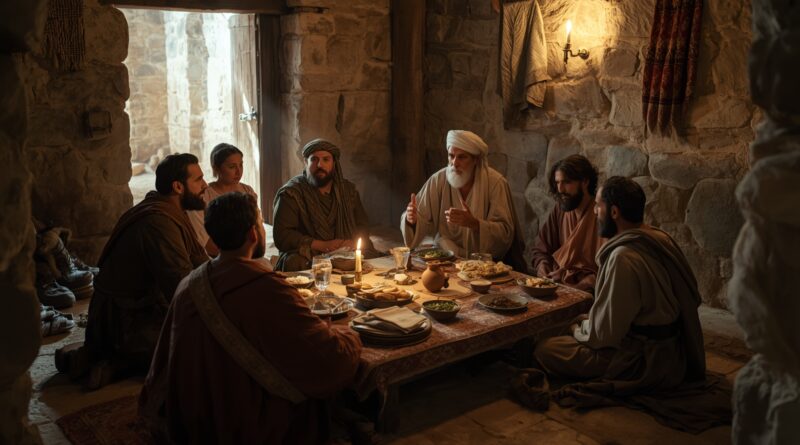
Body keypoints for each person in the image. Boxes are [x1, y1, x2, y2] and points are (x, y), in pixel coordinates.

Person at [139, 192, 362, 443]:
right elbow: (328, 359)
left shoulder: (188, 285)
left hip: (190, 415)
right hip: (243, 419)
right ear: (253, 234)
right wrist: (347, 334)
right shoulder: (269, 289)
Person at [534, 176, 706, 395]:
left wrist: (577, 328)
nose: (595, 212)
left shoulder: (622, 258)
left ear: (614, 212)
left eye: (598, 206)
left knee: (545, 349)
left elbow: (604, 336)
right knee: (572, 323)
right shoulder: (658, 237)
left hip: (643, 359)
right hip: (671, 350)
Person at [55, 153, 210, 389]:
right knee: (203, 348)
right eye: (198, 179)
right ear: (178, 187)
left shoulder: (171, 211)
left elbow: (201, 264)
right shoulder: (159, 223)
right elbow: (181, 287)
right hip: (125, 320)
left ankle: (102, 359)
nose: (205, 185)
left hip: (143, 309)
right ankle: (116, 361)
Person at [402, 130, 526, 270]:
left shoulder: (496, 183)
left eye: (462, 157)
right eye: (451, 156)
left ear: (475, 160)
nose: (455, 163)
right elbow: (419, 216)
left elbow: (505, 233)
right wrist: (411, 220)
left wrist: (474, 224)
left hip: (485, 266)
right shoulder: (439, 180)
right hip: (447, 260)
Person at [273, 139, 373, 271]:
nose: (319, 164)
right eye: (314, 159)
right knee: (295, 263)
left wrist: (352, 242)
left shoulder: (348, 191)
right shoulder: (291, 193)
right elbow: (283, 235)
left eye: (326, 159)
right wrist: (322, 245)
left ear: (334, 163)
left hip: (345, 250)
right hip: (310, 252)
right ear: (305, 162)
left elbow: (363, 225)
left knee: (370, 254)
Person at [531, 154, 604, 293]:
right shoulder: (560, 210)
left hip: (590, 294)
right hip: (556, 286)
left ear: (585, 182)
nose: (560, 189)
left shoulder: (600, 215)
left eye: (566, 182)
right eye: (557, 183)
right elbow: (541, 249)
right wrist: (543, 266)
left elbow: (609, 270)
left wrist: (585, 284)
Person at [188, 143, 260, 257]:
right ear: (216, 168)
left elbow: (256, 227)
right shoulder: (205, 195)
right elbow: (205, 240)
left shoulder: (248, 191)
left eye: (241, 165)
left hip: (248, 253)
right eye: (232, 167)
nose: (238, 171)